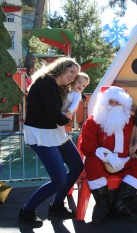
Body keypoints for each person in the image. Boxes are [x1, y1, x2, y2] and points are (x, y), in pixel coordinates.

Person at [19, 57, 84, 226]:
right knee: (59, 180)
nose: (73, 76)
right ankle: (27, 210)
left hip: (55, 132)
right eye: (71, 71)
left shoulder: (59, 88)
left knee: (77, 165)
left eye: (76, 74)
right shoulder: (46, 82)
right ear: (62, 68)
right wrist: (67, 120)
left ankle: (56, 205)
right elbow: (53, 114)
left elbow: (57, 114)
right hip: (41, 134)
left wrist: (65, 117)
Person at [79, 86, 137, 224]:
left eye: (118, 102)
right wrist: (107, 155)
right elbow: (86, 147)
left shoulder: (130, 121)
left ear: (124, 104)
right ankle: (102, 205)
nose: (114, 105)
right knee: (91, 162)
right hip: (102, 162)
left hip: (125, 161)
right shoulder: (93, 122)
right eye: (111, 101)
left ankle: (120, 204)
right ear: (104, 103)